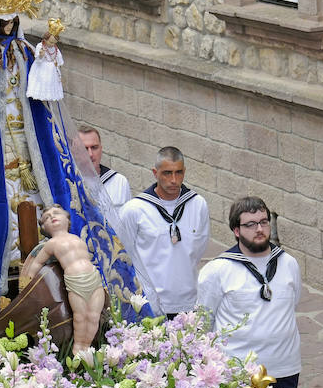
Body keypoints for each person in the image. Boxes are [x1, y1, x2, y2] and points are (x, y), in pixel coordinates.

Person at [198, 196, 303, 388]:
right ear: (236, 230)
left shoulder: (288, 263)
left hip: (283, 368)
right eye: (250, 224)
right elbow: (204, 322)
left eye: (264, 222)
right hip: (238, 372)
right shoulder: (217, 270)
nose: (259, 229)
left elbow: (292, 304)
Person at [118, 147, 209, 316]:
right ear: (155, 173)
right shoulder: (134, 209)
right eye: (167, 173)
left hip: (188, 303)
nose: (174, 180)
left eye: (178, 173)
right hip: (150, 304)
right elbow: (124, 255)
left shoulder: (198, 204)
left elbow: (198, 250)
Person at [21, 205, 107, 350]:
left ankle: (88, 347)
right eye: (46, 218)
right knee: (80, 317)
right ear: (44, 228)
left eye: (56, 213)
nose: (52, 217)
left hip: (93, 278)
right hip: (76, 282)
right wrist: (26, 283)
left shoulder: (77, 237)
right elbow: (36, 263)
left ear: (67, 219)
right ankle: (78, 349)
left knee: (94, 316)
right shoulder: (51, 244)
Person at [76, 125, 131, 208]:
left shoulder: (119, 182)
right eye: (84, 148)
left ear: (101, 149)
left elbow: (127, 219)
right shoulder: (68, 181)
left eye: (94, 148)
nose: (90, 154)